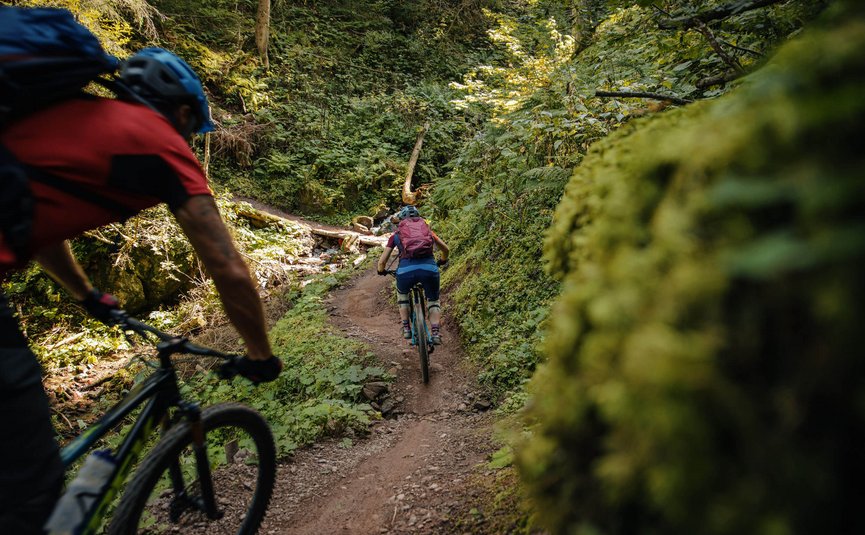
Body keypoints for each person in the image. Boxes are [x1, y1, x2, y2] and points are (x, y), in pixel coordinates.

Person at [0, 47, 282, 534]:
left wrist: (86, 295)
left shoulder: (63, 122)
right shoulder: (157, 141)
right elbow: (227, 265)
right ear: (181, 112)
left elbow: (36, 228)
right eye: (193, 129)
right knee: (33, 496)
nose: (190, 139)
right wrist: (259, 353)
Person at [376, 205, 449, 345]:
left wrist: (381, 270)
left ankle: (406, 328)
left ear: (402, 220)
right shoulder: (428, 232)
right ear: (419, 218)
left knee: (402, 295)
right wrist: (443, 260)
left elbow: (382, 261)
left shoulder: (396, 236)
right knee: (433, 301)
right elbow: (446, 249)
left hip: (405, 273)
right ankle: (435, 332)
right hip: (429, 271)